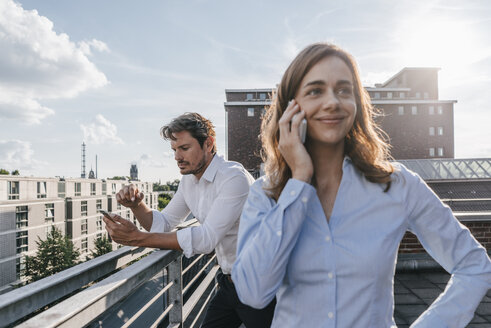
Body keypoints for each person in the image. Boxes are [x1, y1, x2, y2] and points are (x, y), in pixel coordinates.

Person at [231, 43, 491, 327]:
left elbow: (474, 266)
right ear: (290, 107)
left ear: (357, 103)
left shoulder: (398, 184)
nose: (332, 102)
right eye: (315, 90)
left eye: (344, 90)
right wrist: (299, 180)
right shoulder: (265, 194)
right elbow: (253, 294)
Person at [103, 112, 275, 328]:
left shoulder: (233, 177)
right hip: (230, 284)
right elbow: (164, 223)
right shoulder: (189, 182)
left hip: (262, 284)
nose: (177, 157)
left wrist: (138, 239)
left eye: (184, 148)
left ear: (209, 144)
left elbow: (206, 239)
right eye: (174, 150)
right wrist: (137, 205)